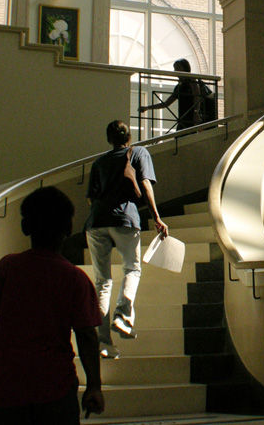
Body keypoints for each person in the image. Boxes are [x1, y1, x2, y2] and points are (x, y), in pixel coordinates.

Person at [0, 186, 105, 422]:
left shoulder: (8, 268)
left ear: (25, 227)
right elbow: (87, 336)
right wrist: (94, 386)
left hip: (9, 389)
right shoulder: (76, 279)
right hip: (56, 390)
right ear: (68, 228)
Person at [86, 120, 168, 359]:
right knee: (132, 269)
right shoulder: (139, 152)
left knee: (102, 282)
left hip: (96, 223)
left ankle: (104, 342)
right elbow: (144, 184)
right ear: (128, 137)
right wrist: (156, 217)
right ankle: (122, 315)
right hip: (125, 219)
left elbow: (90, 199)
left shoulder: (99, 162)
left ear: (109, 139)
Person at [138, 58, 210, 130]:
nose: (175, 71)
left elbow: (197, 96)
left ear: (185, 68)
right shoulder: (179, 87)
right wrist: (147, 108)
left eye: (178, 68)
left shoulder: (192, 81)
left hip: (191, 118)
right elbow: (166, 103)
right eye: (175, 68)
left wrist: (196, 112)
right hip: (183, 118)